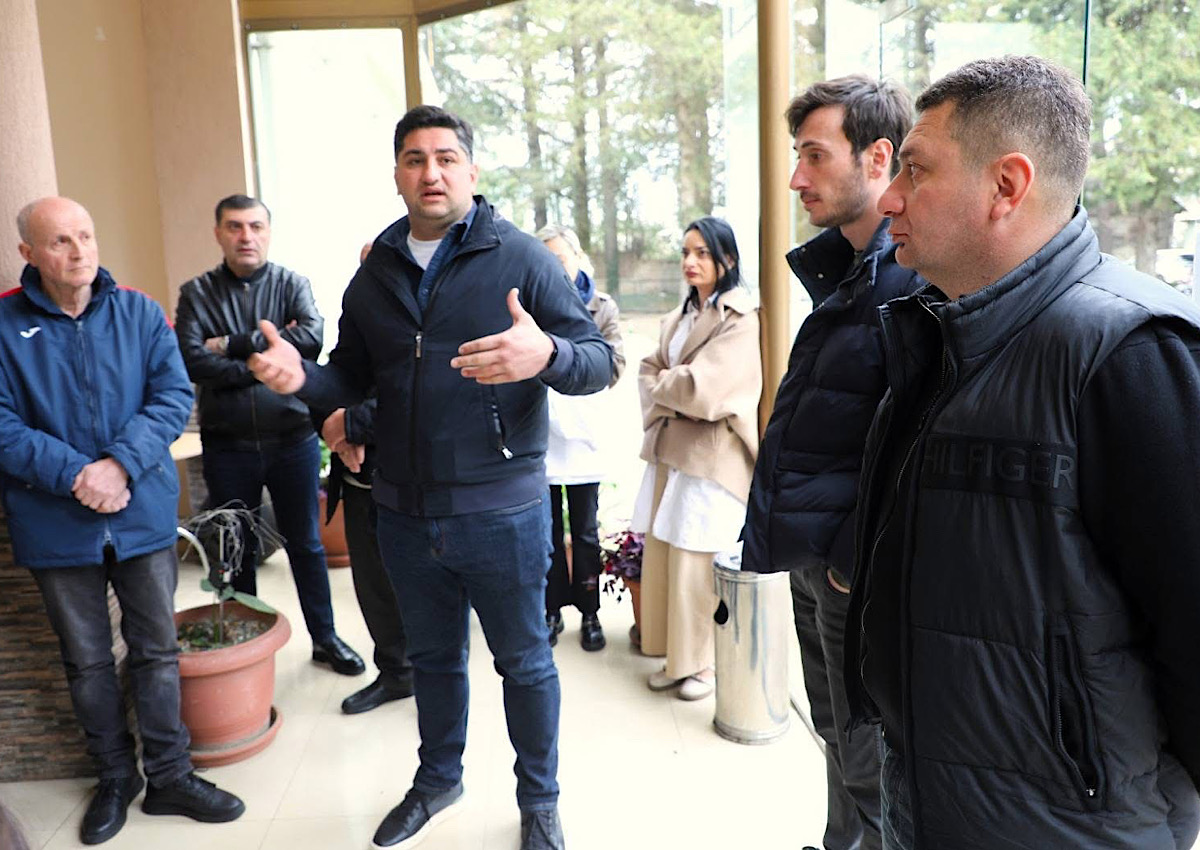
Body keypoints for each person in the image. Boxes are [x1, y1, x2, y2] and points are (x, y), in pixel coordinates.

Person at [843, 55, 1200, 849]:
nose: (890, 197)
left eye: (915, 169)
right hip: (929, 804)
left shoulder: (1132, 355)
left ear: (1006, 186)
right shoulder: (944, 336)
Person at [245, 105, 613, 850]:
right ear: (397, 175)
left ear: (472, 171)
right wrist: (301, 378)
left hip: (502, 512)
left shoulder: (520, 259)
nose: (431, 172)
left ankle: (539, 800)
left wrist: (547, 355)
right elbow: (352, 376)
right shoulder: (375, 270)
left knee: (524, 664)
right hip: (405, 514)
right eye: (415, 159)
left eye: (446, 158)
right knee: (434, 660)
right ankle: (439, 779)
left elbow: (599, 361)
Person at [0, 197, 244, 845]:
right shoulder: (3, 325)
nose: (79, 250)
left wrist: (118, 466)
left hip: (140, 513)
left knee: (156, 650)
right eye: (60, 240)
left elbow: (173, 396)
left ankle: (170, 776)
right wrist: (77, 474)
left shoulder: (138, 311)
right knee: (86, 662)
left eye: (85, 235)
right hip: (54, 522)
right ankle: (114, 778)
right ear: (28, 253)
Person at [739, 75, 918, 850]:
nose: (796, 178)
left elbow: (913, 440)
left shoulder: (912, 278)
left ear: (877, 158)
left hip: (853, 569)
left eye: (815, 155)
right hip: (817, 559)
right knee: (836, 734)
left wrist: (849, 559)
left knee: (868, 754)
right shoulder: (848, 270)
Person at [174, 195, 365, 677]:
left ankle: (325, 639)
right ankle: (249, 644)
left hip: (291, 438)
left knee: (306, 544)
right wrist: (267, 360)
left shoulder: (291, 284)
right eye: (235, 226)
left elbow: (311, 340)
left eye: (256, 226)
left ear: (268, 232)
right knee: (237, 546)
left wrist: (231, 346)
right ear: (218, 233)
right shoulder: (196, 293)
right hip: (227, 443)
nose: (246, 236)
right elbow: (193, 361)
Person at [633, 216, 761, 701]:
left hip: (713, 457)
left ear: (727, 259)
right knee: (667, 553)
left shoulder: (740, 317)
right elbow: (648, 372)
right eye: (686, 252)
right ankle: (677, 657)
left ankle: (702, 664)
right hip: (673, 451)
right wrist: (672, 388)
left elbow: (703, 391)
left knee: (696, 559)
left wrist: (668, 387)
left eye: (702, 252)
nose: (690, 261)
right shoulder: (681, 314)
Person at [316, 241, 415, 715]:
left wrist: (354, 424)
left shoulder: (429, 317)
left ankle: (436, 681)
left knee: (421, 590)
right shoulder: (356, 315)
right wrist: (335, 427)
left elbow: (418, 391)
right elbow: (338, 377)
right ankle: (395, 674)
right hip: (359, 480)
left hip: (413, 483)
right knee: (373, 588)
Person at [535, 224, 626, 652]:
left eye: (560, 258)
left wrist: (568, 371)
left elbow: (615, 364)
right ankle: (551, 610)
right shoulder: (529, 305)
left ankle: (590, 612)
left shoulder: (601, 306)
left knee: (586, 531)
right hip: (543, 433)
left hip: (585, 434)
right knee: (548, 531)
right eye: (545, 260)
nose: (554, 268)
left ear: (577, 257)